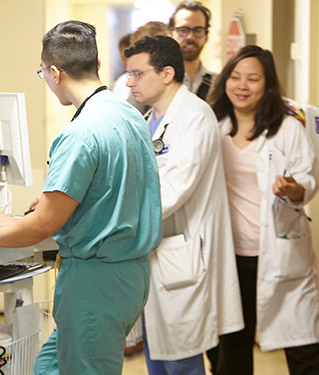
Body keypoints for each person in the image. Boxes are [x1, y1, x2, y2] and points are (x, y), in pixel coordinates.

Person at [0, 20, 162, 374]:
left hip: (95, 281)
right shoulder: (129, 115)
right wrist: (21, 221)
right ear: (96, 64)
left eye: (42, 73)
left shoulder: (80, 135)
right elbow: (109, 193)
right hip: (129, 275)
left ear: (54, 72)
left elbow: (46, 224)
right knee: (49, 366)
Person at [124, 35, 243, 375]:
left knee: (181, 362)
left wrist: (112, 210)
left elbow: (170, 192)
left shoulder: (194, 116)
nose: (129, 81)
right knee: (160, 359)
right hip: (160, 256)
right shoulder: (152, 119)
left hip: (186, 257)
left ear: (166, 73)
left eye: (137, 73)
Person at [208, 45, 319, 375]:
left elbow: (308, 182)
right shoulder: (214, 126)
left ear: (267, 84)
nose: (242, 86)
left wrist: (293, 188)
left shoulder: (287, 128)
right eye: (235, 77)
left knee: (303, 347)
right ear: (225, 80)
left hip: (280, 252)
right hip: (231, 256)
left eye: (253, 79)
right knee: (232, 351)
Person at [169, 0, 215, 100]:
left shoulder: (217, 85)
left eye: (198, 30)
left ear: (206, 36)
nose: (190, 37)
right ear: (171, 35)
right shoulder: (157, 81)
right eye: (183, 30)